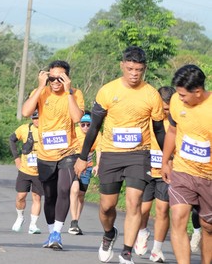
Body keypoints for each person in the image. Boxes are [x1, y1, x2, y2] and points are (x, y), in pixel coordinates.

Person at [74, 46, 165, 264]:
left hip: (139, 155)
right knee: (107, 207)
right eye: (130, 69)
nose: (134, 74)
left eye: (139, 70)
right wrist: (82, 157)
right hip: (111, 154)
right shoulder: (107, 91)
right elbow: (94, 127)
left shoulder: (151, 94)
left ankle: (126, 252)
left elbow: (160, 131)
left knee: (134, 202)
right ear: (122, 65)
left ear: (144, 69)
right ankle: (109, 234)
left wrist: (169, 158)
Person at [22, 60, 84, 251]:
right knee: (49, 196)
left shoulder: (75, 93)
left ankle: (57, 233)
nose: (56, 81)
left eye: (60, 78)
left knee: (64, 189)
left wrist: (68, 92)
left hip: (69, 151)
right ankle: (51, 233)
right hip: (45, 154)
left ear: (67, 78)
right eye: (52, 78)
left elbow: (77, 118)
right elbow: (25, 112)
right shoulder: (40, 92)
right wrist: (41, 86)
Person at [161, 64, 212, 264]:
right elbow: (172, 131)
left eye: (183, 95)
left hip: (208, 176)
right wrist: (166, 161)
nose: (179, 98)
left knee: (208, 226)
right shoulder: (176, 100)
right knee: (178, 218)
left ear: (198, 92)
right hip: (183, 170)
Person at [134, 86, 174, 263]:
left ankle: (157, 249)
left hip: (166, 171)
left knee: (162, 209)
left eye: (168, 109)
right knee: (142, 209)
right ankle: (142, 232)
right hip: (147, 168)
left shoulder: (176, 123)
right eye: (163, 108)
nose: (165, 112)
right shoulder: (147, 119)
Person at [9, 109, 44, 235]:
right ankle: (20, 217)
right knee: (21, 196)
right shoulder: (24, 129)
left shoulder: (48, 129)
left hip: (41, 171)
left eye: (39, 118)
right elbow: (12, 139)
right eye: (34, 118)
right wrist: (16, 158)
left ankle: (33, 225)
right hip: (25, 169)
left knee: (37, 197)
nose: (37, 120)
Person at [68, 112, 100, 236]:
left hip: (87, 168)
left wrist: (98, 165)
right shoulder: (74, 132)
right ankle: (73, 221)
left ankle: (76, 221)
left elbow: (99, 150)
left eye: (88, 125)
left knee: (81, 195)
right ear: (79, 125)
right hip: (73, 166)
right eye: (83, 124)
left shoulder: (97, 134)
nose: (85, 127)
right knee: (74, 190)